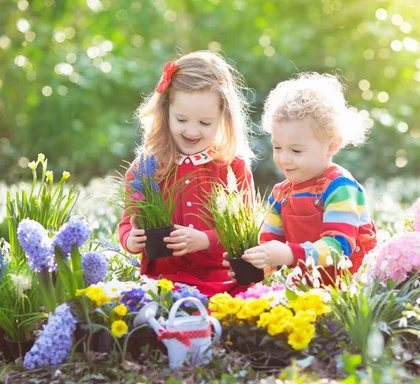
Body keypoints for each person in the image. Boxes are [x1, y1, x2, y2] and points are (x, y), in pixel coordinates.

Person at [118, 51, 254, 296]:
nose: (192, 131)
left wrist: (205, 239)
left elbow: (245, 231)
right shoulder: (147, 168)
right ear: (165, 112)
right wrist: (131, 239)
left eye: (204, 123)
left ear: (223, 118)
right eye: (181, 119)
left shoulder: (233, 167)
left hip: (221, 282)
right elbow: (128, 221)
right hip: (163, 281)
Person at [226, 72, 376, 285]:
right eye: (277, 147)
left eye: (296, 151)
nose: (284, 158)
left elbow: (339, 247)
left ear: (332, 146)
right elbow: (270, 247)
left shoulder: (340, 187)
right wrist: (253, 264)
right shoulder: (281, 194)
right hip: (307, 292)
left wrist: (289, 254)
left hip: (350, 292)